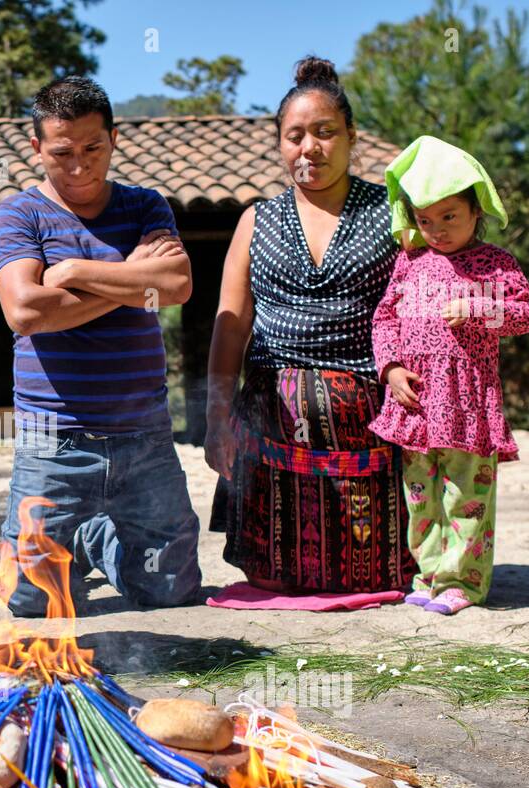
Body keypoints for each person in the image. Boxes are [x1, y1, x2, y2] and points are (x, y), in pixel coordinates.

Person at [0, 76, 202, 618]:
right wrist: (131, 279)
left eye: (93, 148)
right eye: (62, 152)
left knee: (169, 589)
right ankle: (76, 538)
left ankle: (90, 539)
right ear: (36, 147)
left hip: (145, 433)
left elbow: (176, 287)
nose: (79, 165)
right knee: (30, 600)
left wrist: (79, 272)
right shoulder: (19, 214)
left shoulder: (146, 206)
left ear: (114, 138)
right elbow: (26, 312)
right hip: (53, 437)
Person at [205, 56, 416, 594]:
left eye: (325, 133)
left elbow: (417, 310)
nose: (309, 148)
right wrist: (215, 418)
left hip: (370, 427)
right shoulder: (256, 219)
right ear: (279, 144)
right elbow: (231, 327)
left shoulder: (393, 213)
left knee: (376, 576)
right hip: (271, 429)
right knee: (277, 580)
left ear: (351, 137)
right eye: (294, 135)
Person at [370, 135, 529, 615]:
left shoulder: (495, 264)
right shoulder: (410, 263)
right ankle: (428, 576)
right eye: (425, 221)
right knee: (422, 500)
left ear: (476, 210)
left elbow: (528, 314)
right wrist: (392, 368)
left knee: (466, 499)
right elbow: (385, 319)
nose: (438, 230)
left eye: (450, 217)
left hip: (468, 405)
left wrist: (481, 309)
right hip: (417, 404)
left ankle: (464, 583)